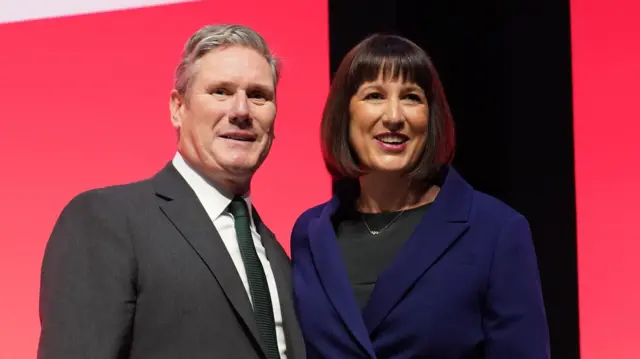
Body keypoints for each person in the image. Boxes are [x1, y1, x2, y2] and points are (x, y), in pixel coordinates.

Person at [38, 24, 305, 359]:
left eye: (258, 95)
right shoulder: (107, 221)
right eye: (220, 91)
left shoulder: (279, 255)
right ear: (177, 108)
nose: (241, 111)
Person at [290, 34, 550, 359]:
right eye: (374, 95)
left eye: (412, 97)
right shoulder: (310, 233)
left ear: (431, 117)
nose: (394, 116)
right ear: (345, 114)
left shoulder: (496, 230)